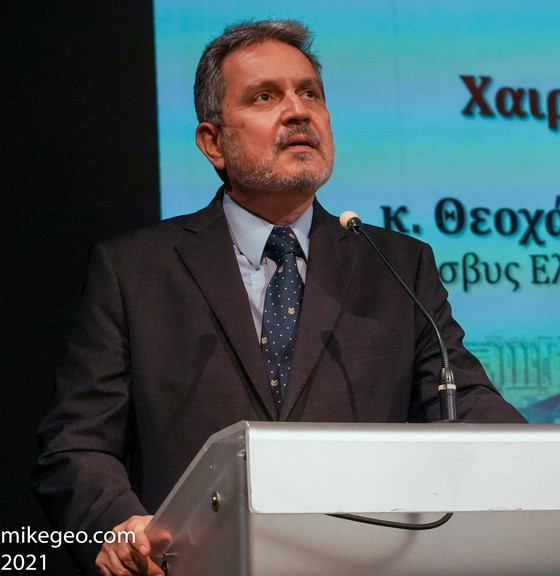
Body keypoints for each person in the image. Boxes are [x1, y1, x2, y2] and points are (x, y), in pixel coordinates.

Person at [31, 19, 525, 576]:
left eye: (310, 93)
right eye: (265, 97)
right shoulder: (135, 270)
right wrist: (117, 523)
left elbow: (464, 403)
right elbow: (75, 443)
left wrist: (552, 464)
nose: (298, 112)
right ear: (212, 142)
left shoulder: (396, 265)